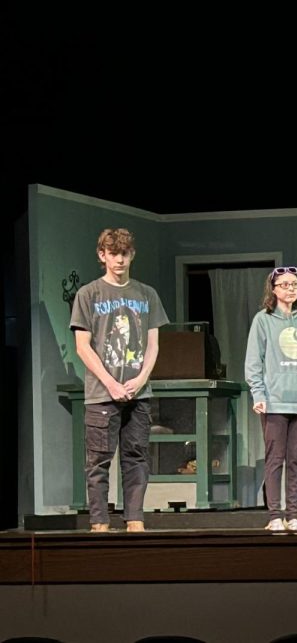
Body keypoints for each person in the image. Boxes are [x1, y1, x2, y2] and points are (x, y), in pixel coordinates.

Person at [70, 228, 168, 532]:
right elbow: (82, 346)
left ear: (132, 254)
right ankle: (99, 522)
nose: (120, 259)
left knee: (137, 457)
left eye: (124, 253)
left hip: (138, 392)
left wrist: (140, 379)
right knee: (98, 461)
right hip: (102, 393)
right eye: (113, 254)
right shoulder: (88, 294)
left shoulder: (147, 294)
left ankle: (135, 518)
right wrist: (110, 383)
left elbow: (153, 344)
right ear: (103, 256)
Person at [245, 266, 297, 531]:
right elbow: (253, 362)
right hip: (274, 401)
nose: (290, 289)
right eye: (284, 285)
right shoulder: (263, 320)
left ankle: (292, 514)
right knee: (275, 458)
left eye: (294, 284)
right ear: (274, 289)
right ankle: (274, 516)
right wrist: (258, 394)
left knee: (295, 459)